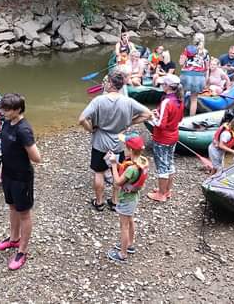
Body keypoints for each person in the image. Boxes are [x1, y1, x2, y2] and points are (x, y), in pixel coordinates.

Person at [78, 71, 152, 212]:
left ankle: (99, 203)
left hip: (100, 142)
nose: (104, 83)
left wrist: (90, 129)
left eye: (106, 81)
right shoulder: (128, 101)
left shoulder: (98, 100)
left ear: (111, 83)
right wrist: (129, 123)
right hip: (118, 141)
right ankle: (114, 201)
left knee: (98, 172)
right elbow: (147, 114)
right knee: (117, 170)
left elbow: (82, 119)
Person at [0, 93, 42, 271]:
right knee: (12, 206)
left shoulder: (23, 129)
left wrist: (24, 150)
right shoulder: (7, 122)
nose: (2, 112)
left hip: (22, 178)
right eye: (2, 108)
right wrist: (1, 166)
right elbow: (6, 148)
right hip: (8, 174)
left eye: (6, 110)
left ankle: (22, 250)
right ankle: (13, 239)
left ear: (17, 110)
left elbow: (37, 158)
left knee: (24, 213)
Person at [106, 132, 148, 263]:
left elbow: (118, 182)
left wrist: (113, 164)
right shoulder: (141, 161)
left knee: (123, 226)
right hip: (134, 198)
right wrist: (119, 164)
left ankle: (123, 254)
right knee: (130, 220)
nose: (124, 148)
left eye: (125, 147)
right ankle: (129, 244)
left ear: (130, 150)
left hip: (126, 200)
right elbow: (128, 174)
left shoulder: (131, 169)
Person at [147, 74, 184, 202]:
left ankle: (161, 194)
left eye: (163, 84)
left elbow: (161, 125)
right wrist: (159, 114)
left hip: (162, 138)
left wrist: (150, 117)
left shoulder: (166, 101)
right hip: (173, 136)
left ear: (167, 86)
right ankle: (167, 191)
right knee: (170, 163)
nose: (162, 85)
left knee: (162, 166)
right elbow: (178, 119)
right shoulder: (179, 100)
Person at [179, 38, 210, 116]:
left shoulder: (187, 49)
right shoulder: (205, 52)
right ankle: (191, 118)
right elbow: (207, 67)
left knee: (181, 97)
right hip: (199, 76)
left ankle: (178, 115)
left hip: (186, 74)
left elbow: (181, 63)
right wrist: (206, 80)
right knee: (194, 99)